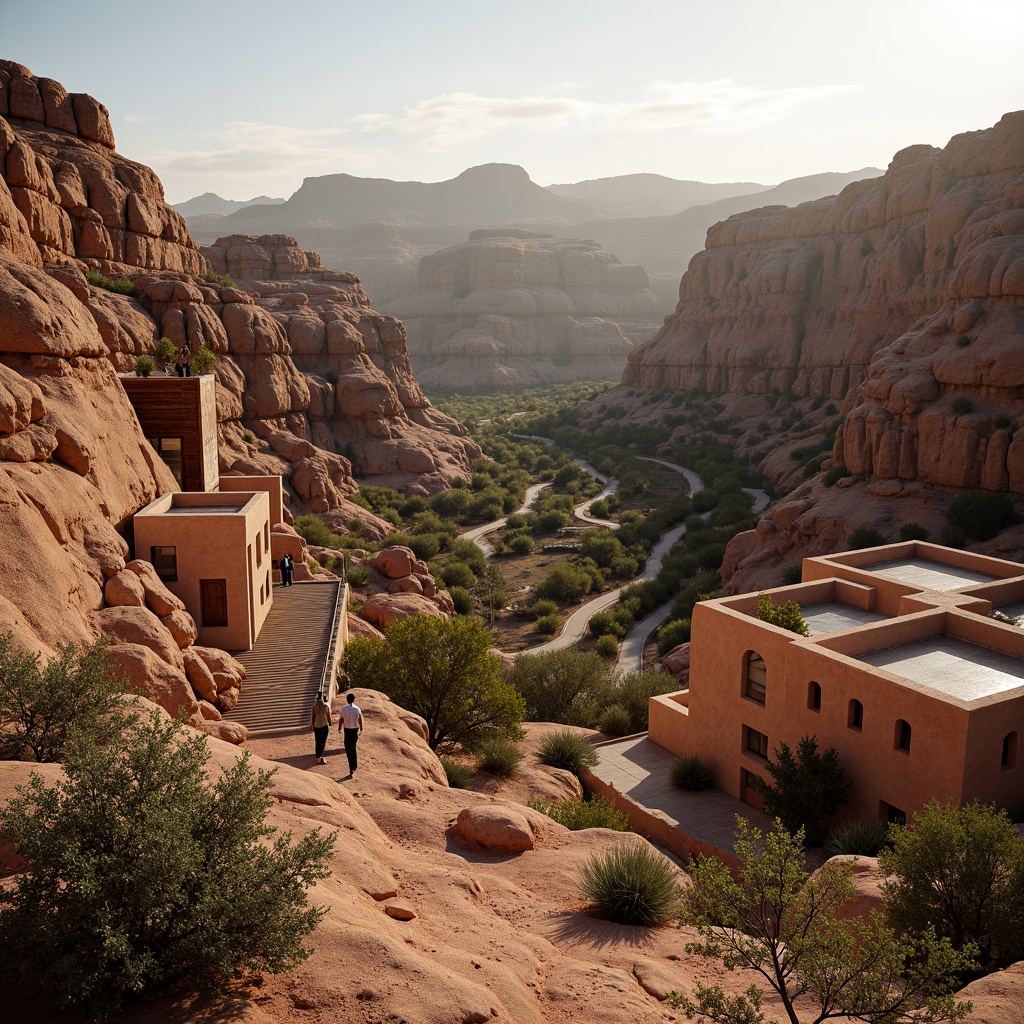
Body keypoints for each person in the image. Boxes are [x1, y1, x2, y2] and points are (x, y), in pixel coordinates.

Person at [338, 691, 363, 777]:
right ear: (353, 699)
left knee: (348, 748)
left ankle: (351, 766)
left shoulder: (344, 709)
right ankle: (354, 766)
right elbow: (359, 719)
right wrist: (361, 728)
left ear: (347, 700)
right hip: (354, 730)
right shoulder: (357, 709)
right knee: (353, 747)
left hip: (347, 730)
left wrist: (339, 727)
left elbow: (341, 719)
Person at [310, 689, 333, 764]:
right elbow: (328, 715)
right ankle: (320, 756)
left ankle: (318, 755)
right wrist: (330, 723)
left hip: (316, 725)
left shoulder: (314, 706)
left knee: (318, 740)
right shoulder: (326, 706)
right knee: (323, 740)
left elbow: (313, 717)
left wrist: (312, 725)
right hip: (324, 725)